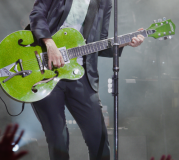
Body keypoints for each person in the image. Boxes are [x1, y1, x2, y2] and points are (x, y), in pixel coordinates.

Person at [29, 0, 144, 159]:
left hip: (81, 75)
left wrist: (124, 43)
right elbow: (37, 14)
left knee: (99, 141)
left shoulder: (104, 2)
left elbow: (100, 42)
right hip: (45, 72)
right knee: (58, 139)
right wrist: (50, 44)